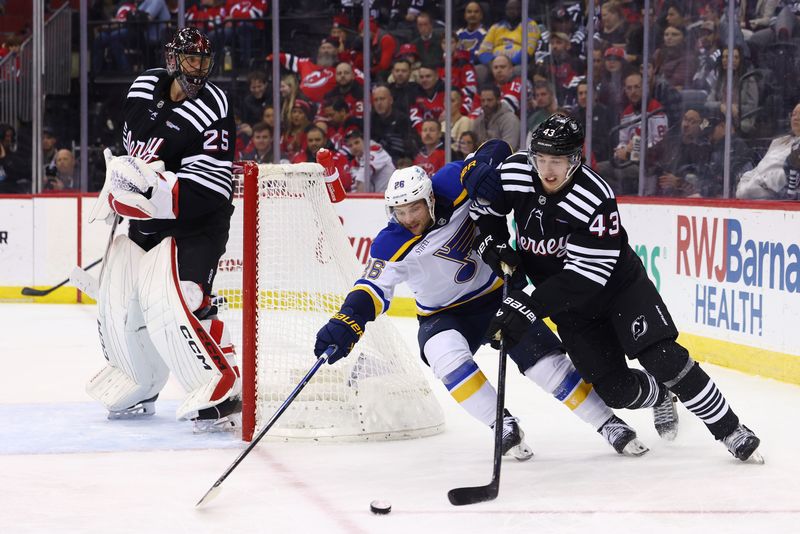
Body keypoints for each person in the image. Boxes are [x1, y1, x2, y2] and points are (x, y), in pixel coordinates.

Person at [462, 113, 763, 463]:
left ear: (575, 159)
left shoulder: (595, 197)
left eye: (557, 161)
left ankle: (730, 429)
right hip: (570, 309)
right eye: (541, 159)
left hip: (618, 289)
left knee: (662, 357)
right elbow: (483, 210)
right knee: (616, 392)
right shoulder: (516, 173)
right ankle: (662, 396)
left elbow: (584, 276)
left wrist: (527, 305)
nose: (547, 169)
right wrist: (495, 245)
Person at [313, 152, 649, 458]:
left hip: (495, 297)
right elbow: (370, 289)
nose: (407, 218)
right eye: (399, 211)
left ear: (430, 199)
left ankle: (608, 423)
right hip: (443, 315)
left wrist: (480, 168)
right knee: (444, 358)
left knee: (546, 366)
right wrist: (348, 320)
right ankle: (500, 423)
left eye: (413, 208)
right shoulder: (391, 242)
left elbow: (496, 149)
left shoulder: (451, 183)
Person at [86, 27, 241, 433]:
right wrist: (121, 184)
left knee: (185, 297)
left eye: (205, 61)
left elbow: (211, 186)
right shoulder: (142, 87)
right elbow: (132, 152)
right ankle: (142, 381)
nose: (200, 69)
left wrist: (153, 190)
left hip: (197, 222)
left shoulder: (212, 104)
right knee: (126, 301)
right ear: (173, 60)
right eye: (192, 60)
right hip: (148, 221)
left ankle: (223, 383)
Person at [345, 128, 395, 193]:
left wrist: (357, 202)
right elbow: (355, 188)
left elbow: (362, 179)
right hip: (376, 199)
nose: (354, 147)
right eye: (350, 145)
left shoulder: (376, 151)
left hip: (392, 196)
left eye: (357, 142)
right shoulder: (355, 163)